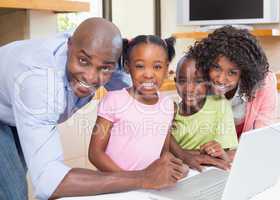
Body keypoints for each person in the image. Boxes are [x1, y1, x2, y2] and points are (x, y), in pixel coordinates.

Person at [0, 18, 187, 200]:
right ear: (69, 45)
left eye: (105, 68)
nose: (90, 77)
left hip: (17, 110)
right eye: (83, 61)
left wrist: (182, 154)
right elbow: (49, 183)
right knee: (13, 193)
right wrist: (143, 178)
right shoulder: (39, 82)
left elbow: (142, 103)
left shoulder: (108, 60)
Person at [89, 35, 188, 178]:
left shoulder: (168, 105)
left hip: (149, 188)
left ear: (166, 69)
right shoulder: (114, 100)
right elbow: (95, 154)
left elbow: (163, 153)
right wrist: (134, 180)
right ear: (128, 67)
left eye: (157, 67)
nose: (148, 74)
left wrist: (176, 168)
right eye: (140, 66)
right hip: (115, 187)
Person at [192, 25, 278, 139]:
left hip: (246, 151)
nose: (221, 79)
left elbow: (264, 134)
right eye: (216, 68)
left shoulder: (264, 83)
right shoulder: (198, 84)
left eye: (232, 73)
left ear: (244, 73)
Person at [169, 52, 238, 171]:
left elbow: (229, 153)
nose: (189, 89)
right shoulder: (170, 113)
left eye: (198, 81)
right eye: (182, 81)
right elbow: (163, 154)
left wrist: (220, 152)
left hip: (212, 170)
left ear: (208, 83)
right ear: (176, 82)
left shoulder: (219, 104)